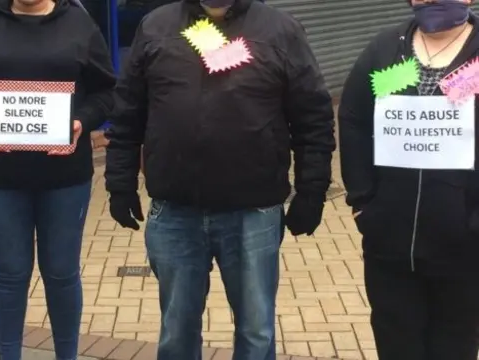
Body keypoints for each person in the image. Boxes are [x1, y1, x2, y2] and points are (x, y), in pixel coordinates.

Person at [104, 0, 336, 358]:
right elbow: (128, 111)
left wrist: (312, 190)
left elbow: (313, 118)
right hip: (175, 212)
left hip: (253, 212)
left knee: (256, 332)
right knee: (177, 331)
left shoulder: (280, 30)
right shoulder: (156, 27)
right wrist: (120, 182)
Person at [0, 0, 115, 358]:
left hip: (65, 177)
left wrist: (82, 121)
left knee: (61, 273)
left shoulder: (79, 24)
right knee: (9, 273)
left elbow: (107, 92)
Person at [339, 0, 479, 359]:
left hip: (465, 248)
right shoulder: (387, 49)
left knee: (455, 346)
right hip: (391, 244)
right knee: (396, 344)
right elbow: (354, 119)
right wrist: (362, 201)